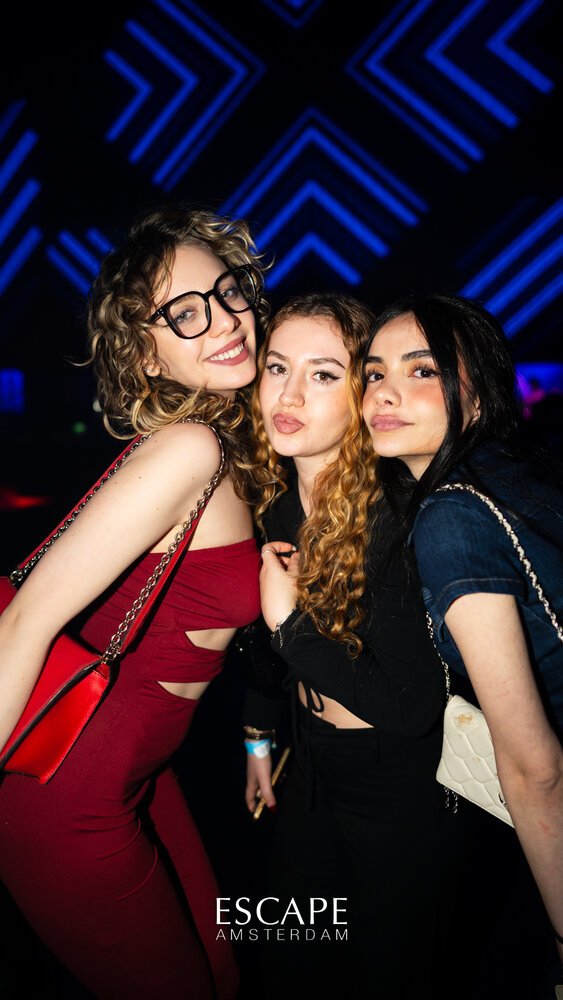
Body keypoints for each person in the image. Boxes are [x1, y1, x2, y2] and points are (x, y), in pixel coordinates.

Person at [0, 204, 269, 999]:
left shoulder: (223, 440)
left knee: (222, 975)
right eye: (185, 313)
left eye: (228, 292)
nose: (225, 319)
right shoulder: (189, 446)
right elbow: (26, 619)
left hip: (141, 778)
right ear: (145, 354)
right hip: (69, 798)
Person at [242, 292, 459, 998]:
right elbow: (266, 652)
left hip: (393, 785)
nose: (289, 394)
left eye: (324, 374)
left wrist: (290, 626)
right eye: (277, 367)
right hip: (310, 767)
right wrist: (258, 739)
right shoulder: (276, 503)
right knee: (289, 961)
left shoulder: (394, 517)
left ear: (362, 394)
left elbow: (410, 709)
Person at [362, 291, 563, 994]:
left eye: (422, 370)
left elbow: (534, 766)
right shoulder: (518, 474)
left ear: (477, 395)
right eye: (374, 372)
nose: (384, 392)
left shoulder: (450, 515)